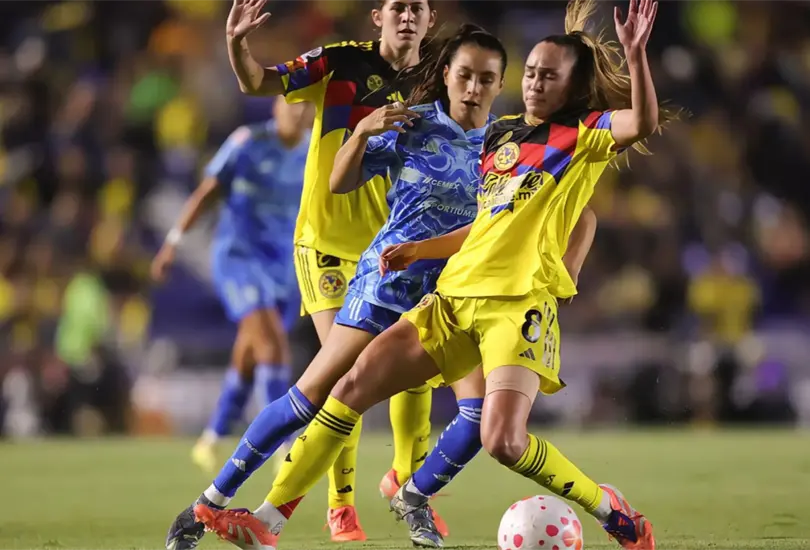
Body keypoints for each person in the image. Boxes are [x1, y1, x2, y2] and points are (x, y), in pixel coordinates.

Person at [191, 1, 675, 550]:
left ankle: (603, 509)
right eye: (531, 73)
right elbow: (487, 228)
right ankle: (268, 520)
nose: (534, 83)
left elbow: (635, 134)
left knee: (500, 439)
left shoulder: (581, 136)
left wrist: (635, 55)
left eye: (545, 75)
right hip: (447, 294)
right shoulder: (503, 140)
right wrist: (419, 246)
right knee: (345, 389)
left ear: (565, 84)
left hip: (514, 307)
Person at [191, 24, 520, 550]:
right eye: (465, 75)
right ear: (448, 76)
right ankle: (220, 500)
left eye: (486, 78)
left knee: (481, 414)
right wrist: (363, 132)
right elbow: (340, 181)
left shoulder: (507, 145)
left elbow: (501, 223)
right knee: (319, 392)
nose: (474, 87)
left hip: (451, 296)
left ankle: (409, 491)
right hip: (386, 283)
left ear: (501, 83)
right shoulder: (415, 125)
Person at [166, 1, 442, 548]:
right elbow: (258, 84)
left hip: (391, 249)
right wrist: (237, 46)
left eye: (418, 7)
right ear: (376, 17)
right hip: (325, 245)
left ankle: (407, 484)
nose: (407, 16)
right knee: (344, 376)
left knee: (414, 374)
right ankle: (339, 507)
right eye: (397, 6)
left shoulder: (436, 82)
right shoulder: (339, 63)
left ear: (431, 20)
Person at [151, 99, 311, 474]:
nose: (299, 112)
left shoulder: (314, 150)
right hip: (238, 257)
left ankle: (211, 437)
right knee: (272, 345)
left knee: (250, 351)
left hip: (283, 266)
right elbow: (208, 191)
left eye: (307, 106)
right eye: (292, 104)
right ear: (276, 107)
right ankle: (281, 444)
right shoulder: (246, 142)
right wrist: (173, 241)